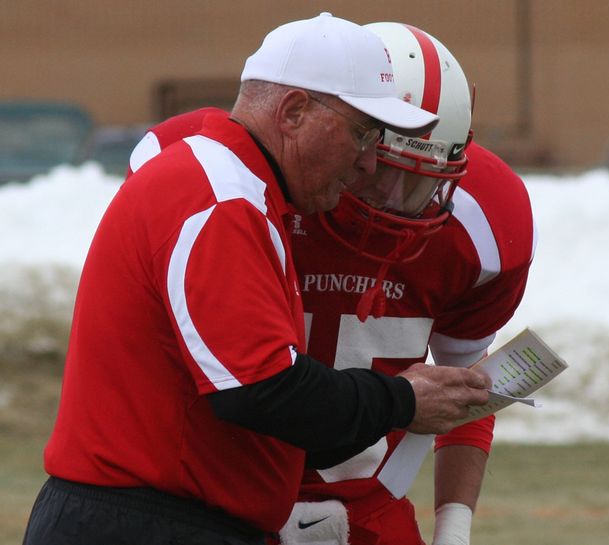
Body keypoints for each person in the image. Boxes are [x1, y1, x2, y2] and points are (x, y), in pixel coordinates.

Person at [22, 13, 493, 545]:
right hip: (145, 521)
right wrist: (401, 401)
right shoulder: (223, 198)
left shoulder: (239, 190)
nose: (366, 164)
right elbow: (262, 391)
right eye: (362, 134)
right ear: (293, 111)